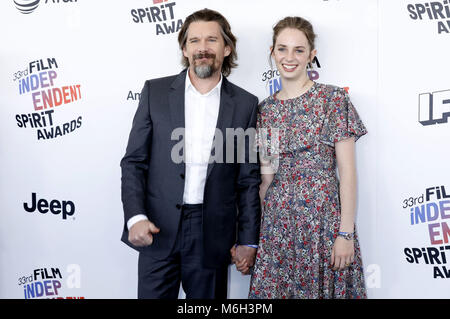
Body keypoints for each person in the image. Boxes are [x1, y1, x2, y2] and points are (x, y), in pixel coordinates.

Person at [120, 8, 261, 299]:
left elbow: (248, 180)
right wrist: (135, 217)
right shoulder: (154, 93)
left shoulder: (246, 105)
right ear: (184, 49)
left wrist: (249, 239)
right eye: (194, 41)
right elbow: (134, 163)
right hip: (158, 230)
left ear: (227, 47)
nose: (203, 48)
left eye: (212, 40)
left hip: (212, 235)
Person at [247, 16, 368, 299]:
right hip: (278, 229)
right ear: (272, 52)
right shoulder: (264, 110)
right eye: (282, 49)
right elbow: (266, 181)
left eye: (299, 50)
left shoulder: (333, 99)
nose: (290, 57)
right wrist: (257, 239)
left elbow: (347, 173)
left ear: (311, 55)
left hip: (324, 224)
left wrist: (345, 234)